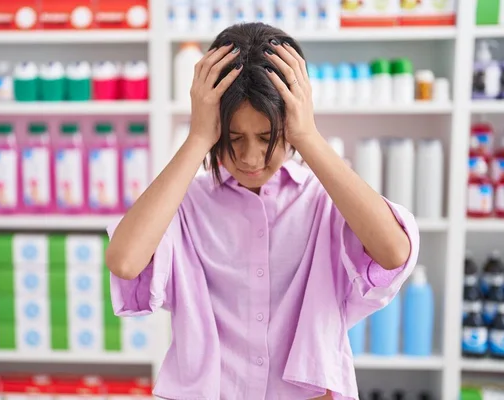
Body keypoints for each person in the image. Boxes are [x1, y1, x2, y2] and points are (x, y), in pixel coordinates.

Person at [105, 23, 420, 400]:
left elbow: (394, 252)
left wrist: (308, 136)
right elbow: (125, 261)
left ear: (289, 124)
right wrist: (197, 137)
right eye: (233, 139)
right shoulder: (186, 204)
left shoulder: (323, 200)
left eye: (267, 138)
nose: (251, 158)